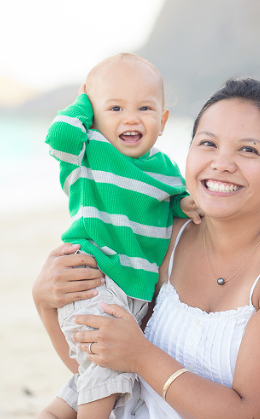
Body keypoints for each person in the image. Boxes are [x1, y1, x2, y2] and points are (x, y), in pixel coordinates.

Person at [34, 77, 260, 419]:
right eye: (208, 143)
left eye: (248, 149)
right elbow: (104, 374)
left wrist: (141, 355)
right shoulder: (167, 236)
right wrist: (45, 302)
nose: (222, 163)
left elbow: (253, 414)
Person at [42, 53, 202, 419]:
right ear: (94, 116)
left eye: (144, 108)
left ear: (162, 121)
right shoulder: (89, 151)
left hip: (136, 294)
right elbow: (59, 135)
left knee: (102, 376)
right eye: (115, 108)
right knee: (104, 371)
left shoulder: (163, 168)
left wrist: (188, 206)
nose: (130, 118)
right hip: (92, 280)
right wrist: (85, 102)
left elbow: (176, 202)